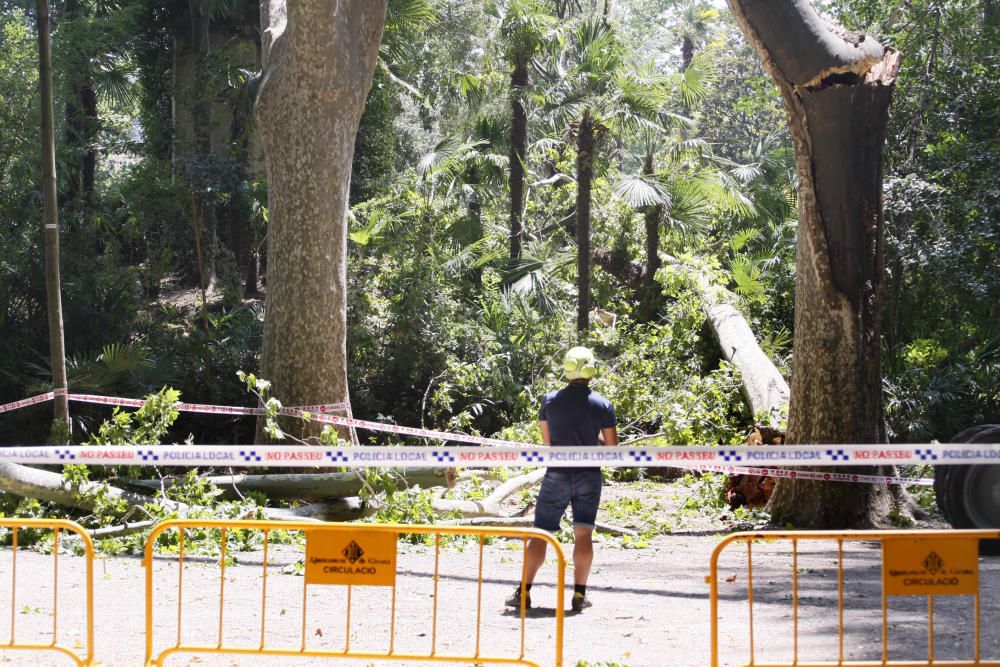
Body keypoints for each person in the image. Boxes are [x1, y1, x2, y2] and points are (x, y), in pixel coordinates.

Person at [506, 346, 618, 613]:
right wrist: (594, 440)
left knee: (541, 534)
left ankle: (524, 591)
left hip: (556, 473)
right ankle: (579, 595)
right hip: (589, 475)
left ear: (566, 369)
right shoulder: (603, 405)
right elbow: (612, 448)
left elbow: (549, 442)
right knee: (583, 533)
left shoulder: (549, 401)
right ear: (592, 369)